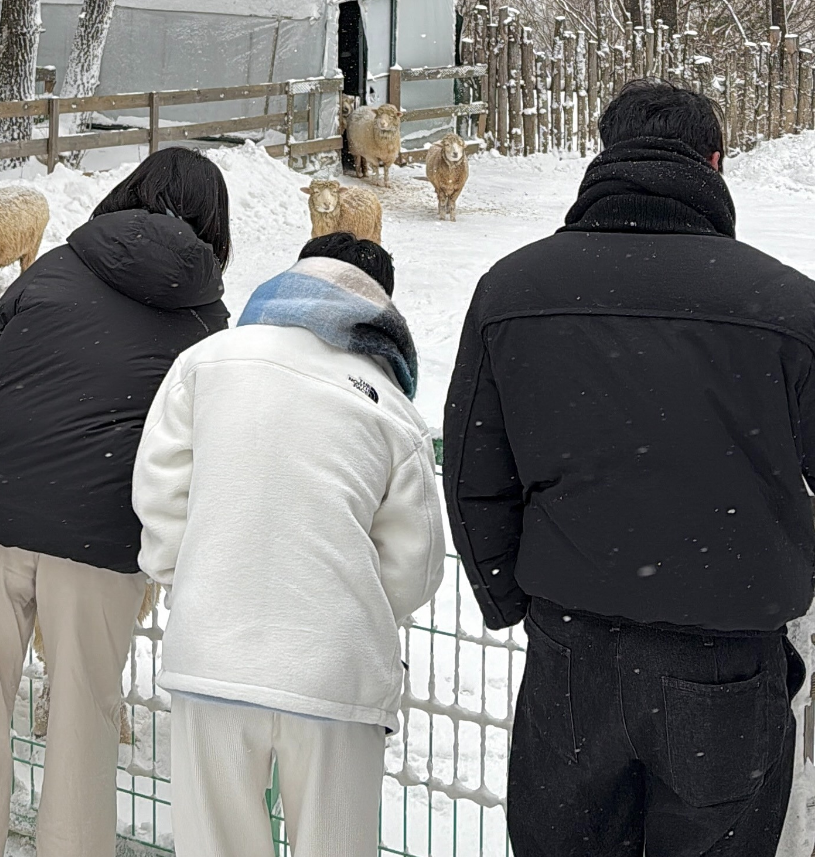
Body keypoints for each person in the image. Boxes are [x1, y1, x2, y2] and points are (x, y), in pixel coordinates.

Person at [444, 79, 815, 857]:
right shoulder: (789, 309)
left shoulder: (514, 291)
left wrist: (510, 592)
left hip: (573, 655)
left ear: (606, 156)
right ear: (714, 163)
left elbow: (476, 469)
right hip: (727, 658)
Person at [0, 147, 231, 857]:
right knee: (84, 728)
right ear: (215, 224)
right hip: (100, 542)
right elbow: (202, 453)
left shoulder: (56, 268)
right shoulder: (208, 323)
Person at [133, 231, 445, 857]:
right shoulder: (391, 407)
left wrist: (194, 579)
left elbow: (160, 493)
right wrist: (350, 606)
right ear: (378, 306)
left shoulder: (207, 361)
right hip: (336, 679)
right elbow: (416, 564)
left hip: (211, 660)